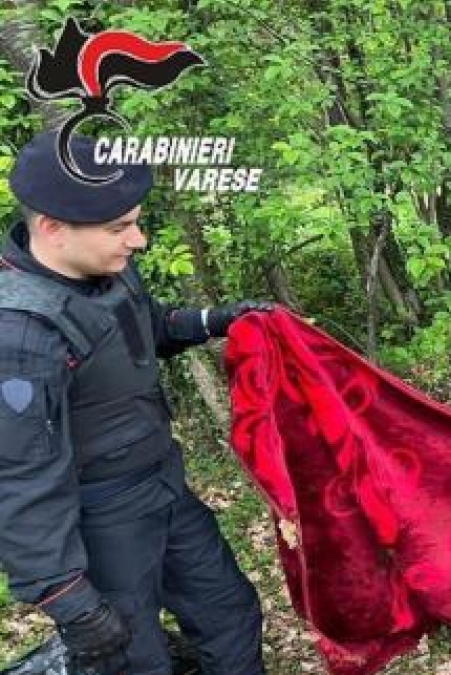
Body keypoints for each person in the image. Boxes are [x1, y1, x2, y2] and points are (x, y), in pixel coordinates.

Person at [0, 131, 272, 674]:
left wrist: (213, 323)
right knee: (134, 659)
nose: (138, 240)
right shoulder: (20, 335)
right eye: (119, 228)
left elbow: (143, 328)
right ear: (52, 229)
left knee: (230, 614)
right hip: (99, 518)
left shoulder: (108, 268)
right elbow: (18, 478)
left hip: (163, 487)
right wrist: (67, 598)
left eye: (135, 222)